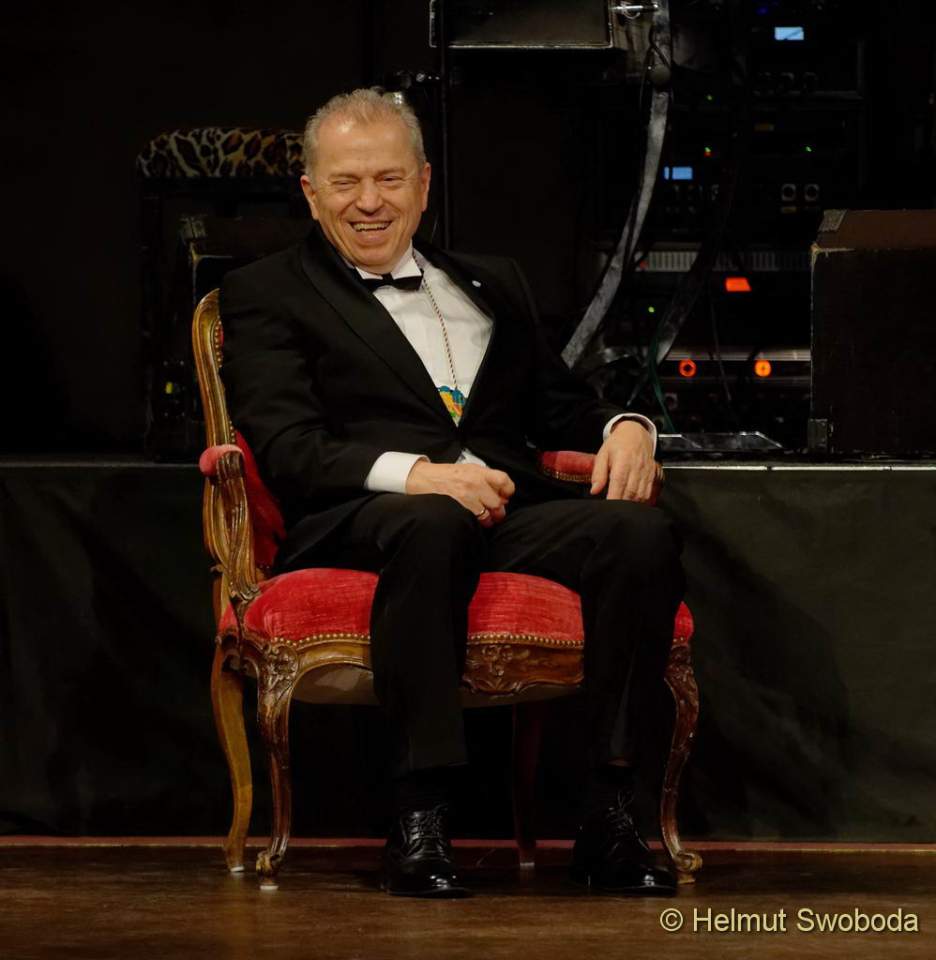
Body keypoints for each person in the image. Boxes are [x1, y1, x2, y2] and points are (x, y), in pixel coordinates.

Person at [220, 88, 685, 898]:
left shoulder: (491, 281)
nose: (369, 202)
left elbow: (562, 406)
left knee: (639, 534)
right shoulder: (267, 291)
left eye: (389, 178)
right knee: (433, 521)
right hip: (364, 514)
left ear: (424, 184)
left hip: (503, 509)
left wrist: (629, 427)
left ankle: (608, 816)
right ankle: (419, 815)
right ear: (311, 193)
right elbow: (291, 447)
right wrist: (421, 475)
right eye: (346, 182)